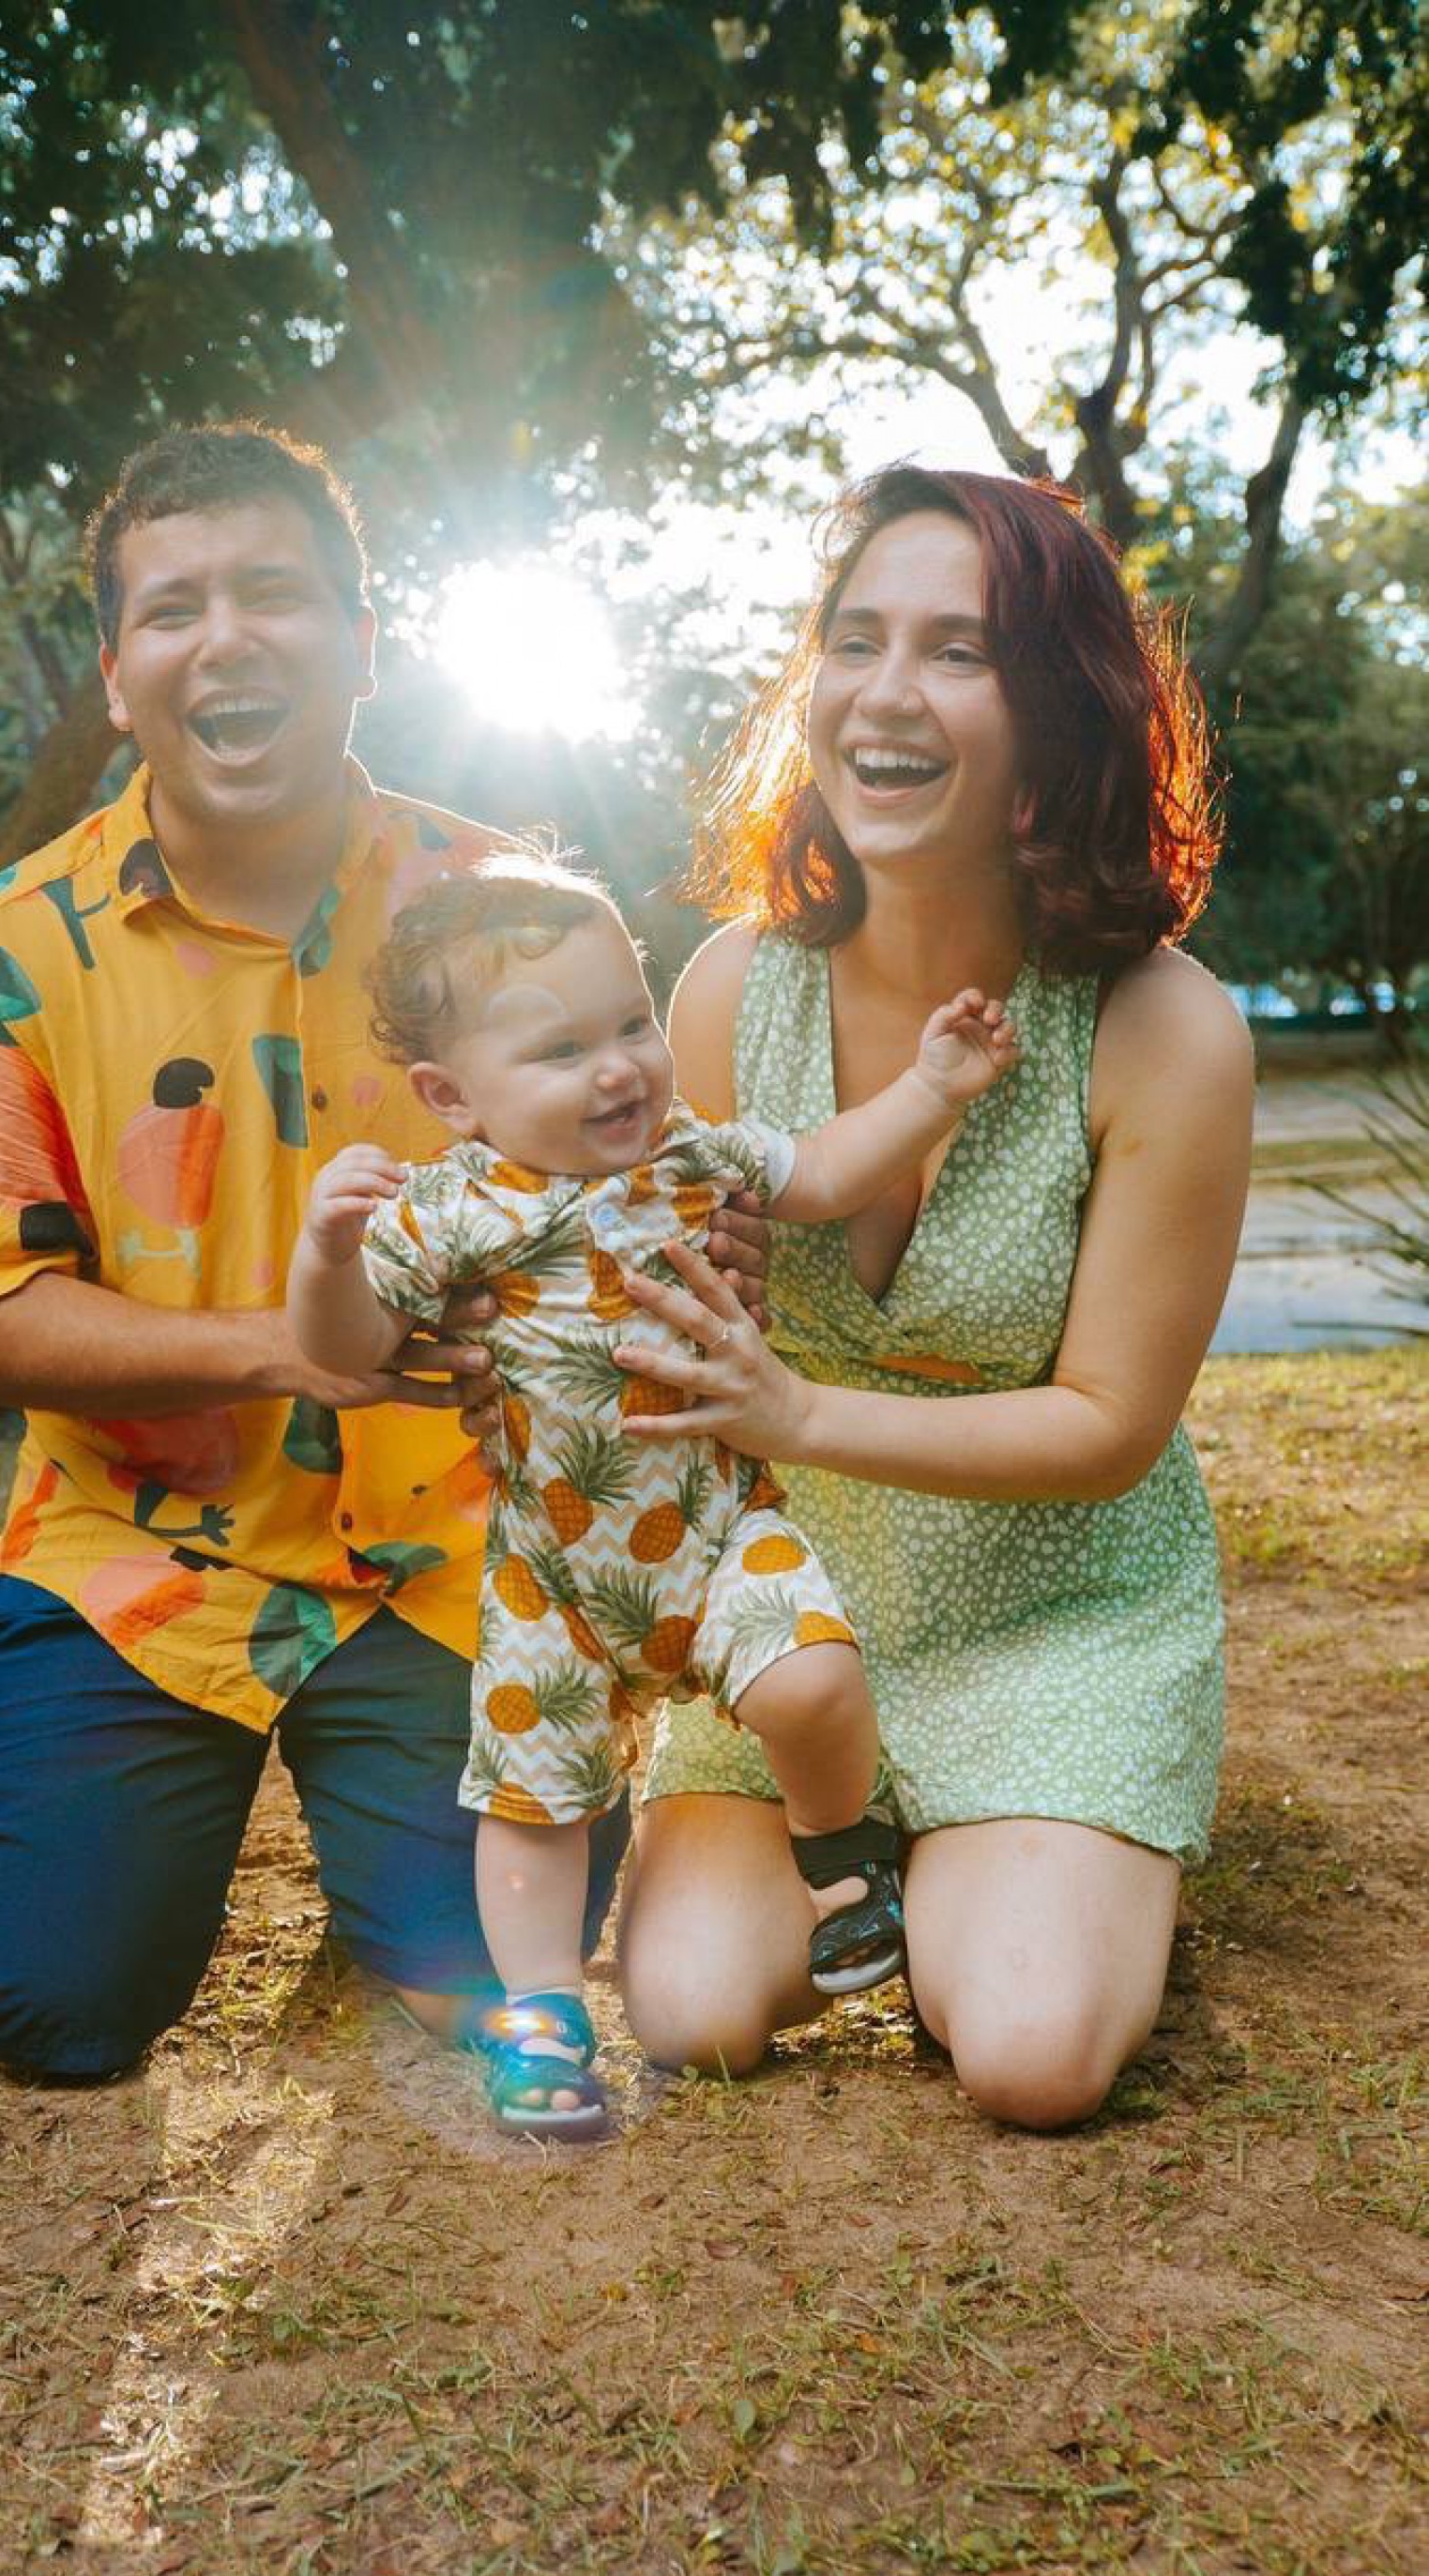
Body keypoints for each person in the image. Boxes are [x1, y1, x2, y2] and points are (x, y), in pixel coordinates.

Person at [0, 421, 652, 2078]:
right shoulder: (0, 953)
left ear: (364, 646)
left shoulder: (505, 906)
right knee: (44, 2000)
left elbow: (619, 1190)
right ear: (116, 675)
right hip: (137, 1555)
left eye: (274, 594)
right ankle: (33, 1802)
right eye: (171, 609)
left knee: (499, 1963)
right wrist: (276, 1347)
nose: (223, 639)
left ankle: (389, 1859)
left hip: (452, 1550)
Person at [604, 465, 1254, 2132]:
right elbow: (678, 1332)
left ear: (1062, 707)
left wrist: (802, 1408)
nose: (885, 696)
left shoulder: (1158, 1028)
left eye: (958, 652)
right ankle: (886, 1843)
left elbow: (1113, 1428)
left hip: (1059, 1607)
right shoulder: (732, 988)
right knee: (690, 2010)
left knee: (1030, 2053)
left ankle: (1024, 1843)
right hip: (798, 1625)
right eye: (855, 639)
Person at [286, 859, 1018, 2136]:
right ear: (451, 1096)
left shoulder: (692, 1153)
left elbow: (827, 1171)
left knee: (813, 1681)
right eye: (562, 1049)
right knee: (534, 1802)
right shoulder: (457, 1206)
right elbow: (345, 1350)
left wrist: (931, 1087)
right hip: (556, 1580)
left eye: (631, 1022)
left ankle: (846, 1864)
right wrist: (325, 1251)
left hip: (721, 1526)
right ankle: (544, 2012)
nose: (619, 1067)